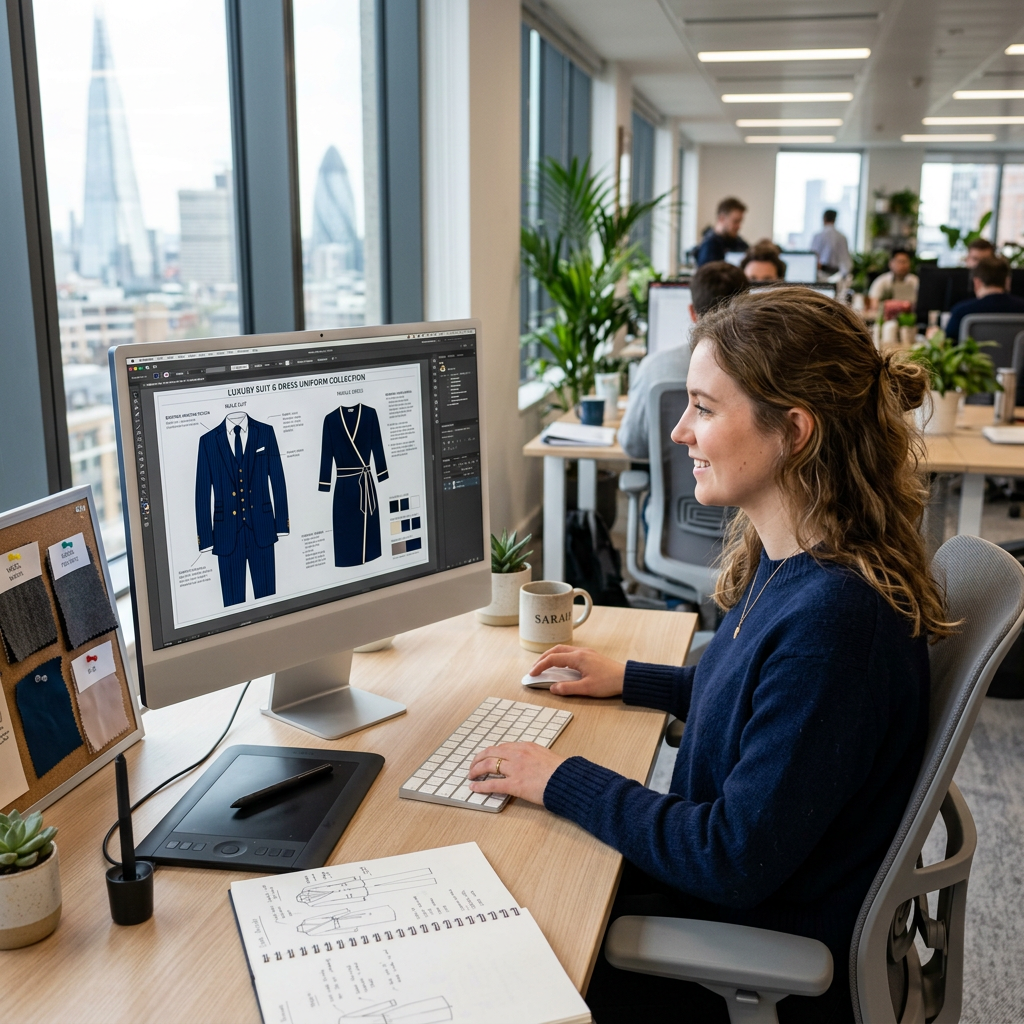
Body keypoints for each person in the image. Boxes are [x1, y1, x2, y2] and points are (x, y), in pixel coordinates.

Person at [470, 288, 949, 1023]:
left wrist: (561, 778)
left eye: (704, 407)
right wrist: (633, 679)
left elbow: (732, 858)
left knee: (498, 947)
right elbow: (761, 707)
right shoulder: (792, 557)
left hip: (747, 952)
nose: (680, 432)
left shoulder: (836, 624)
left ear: (795, 430)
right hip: (724, 896)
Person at [618, 261, 747, 460]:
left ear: (691, 312)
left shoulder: (653, 368)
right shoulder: (760, 372)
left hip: (670, 490)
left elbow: (633, 445)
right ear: (747, 308)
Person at [945, 254, 1024, 341]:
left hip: (974, 355)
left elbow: (949, 344)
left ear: (977, 282)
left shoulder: (961, 312)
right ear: (1007, 281)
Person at [696, 197, 749, 266]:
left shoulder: (738, 242)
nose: (739, 226)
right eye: (735, 221)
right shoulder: (709, 246)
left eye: (740, 222)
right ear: (722, 218)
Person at [810, 209, 851, 276]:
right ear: (835, 220)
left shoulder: (818, 236)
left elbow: (813, 256)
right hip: (837, 274)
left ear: (824, 219)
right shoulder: (842, 237)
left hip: (821, 273)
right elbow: (845, 260)